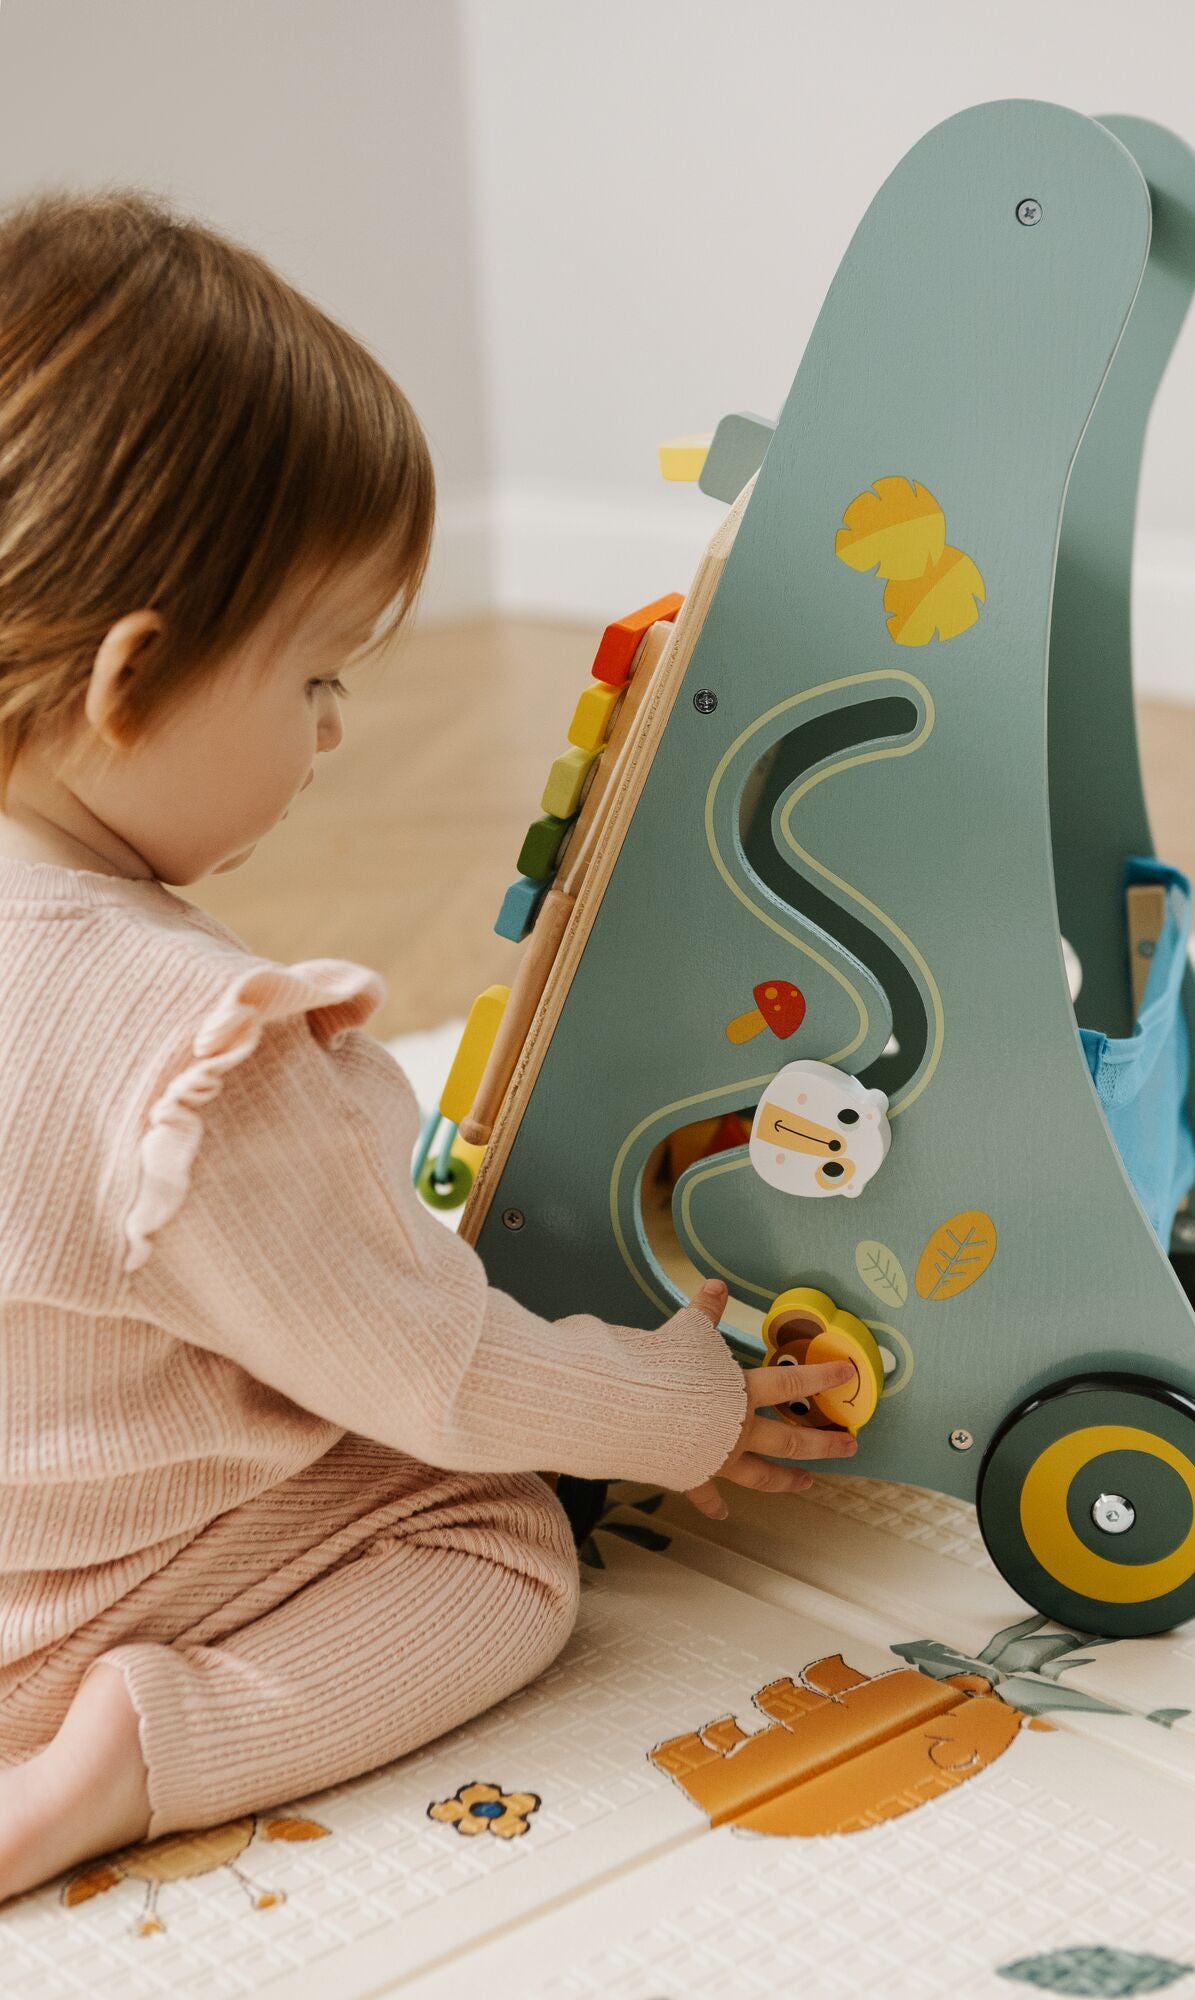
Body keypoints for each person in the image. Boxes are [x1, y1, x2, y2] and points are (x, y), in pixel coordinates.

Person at [0, 189, 857, 1899]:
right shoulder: (193, 1053)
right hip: (76, 1605)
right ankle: (110, 1766)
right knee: (498, 1533)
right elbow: (432, 1371)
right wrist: (678, 1405)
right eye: (315, 678)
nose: (331, 736)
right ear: (130, 680)